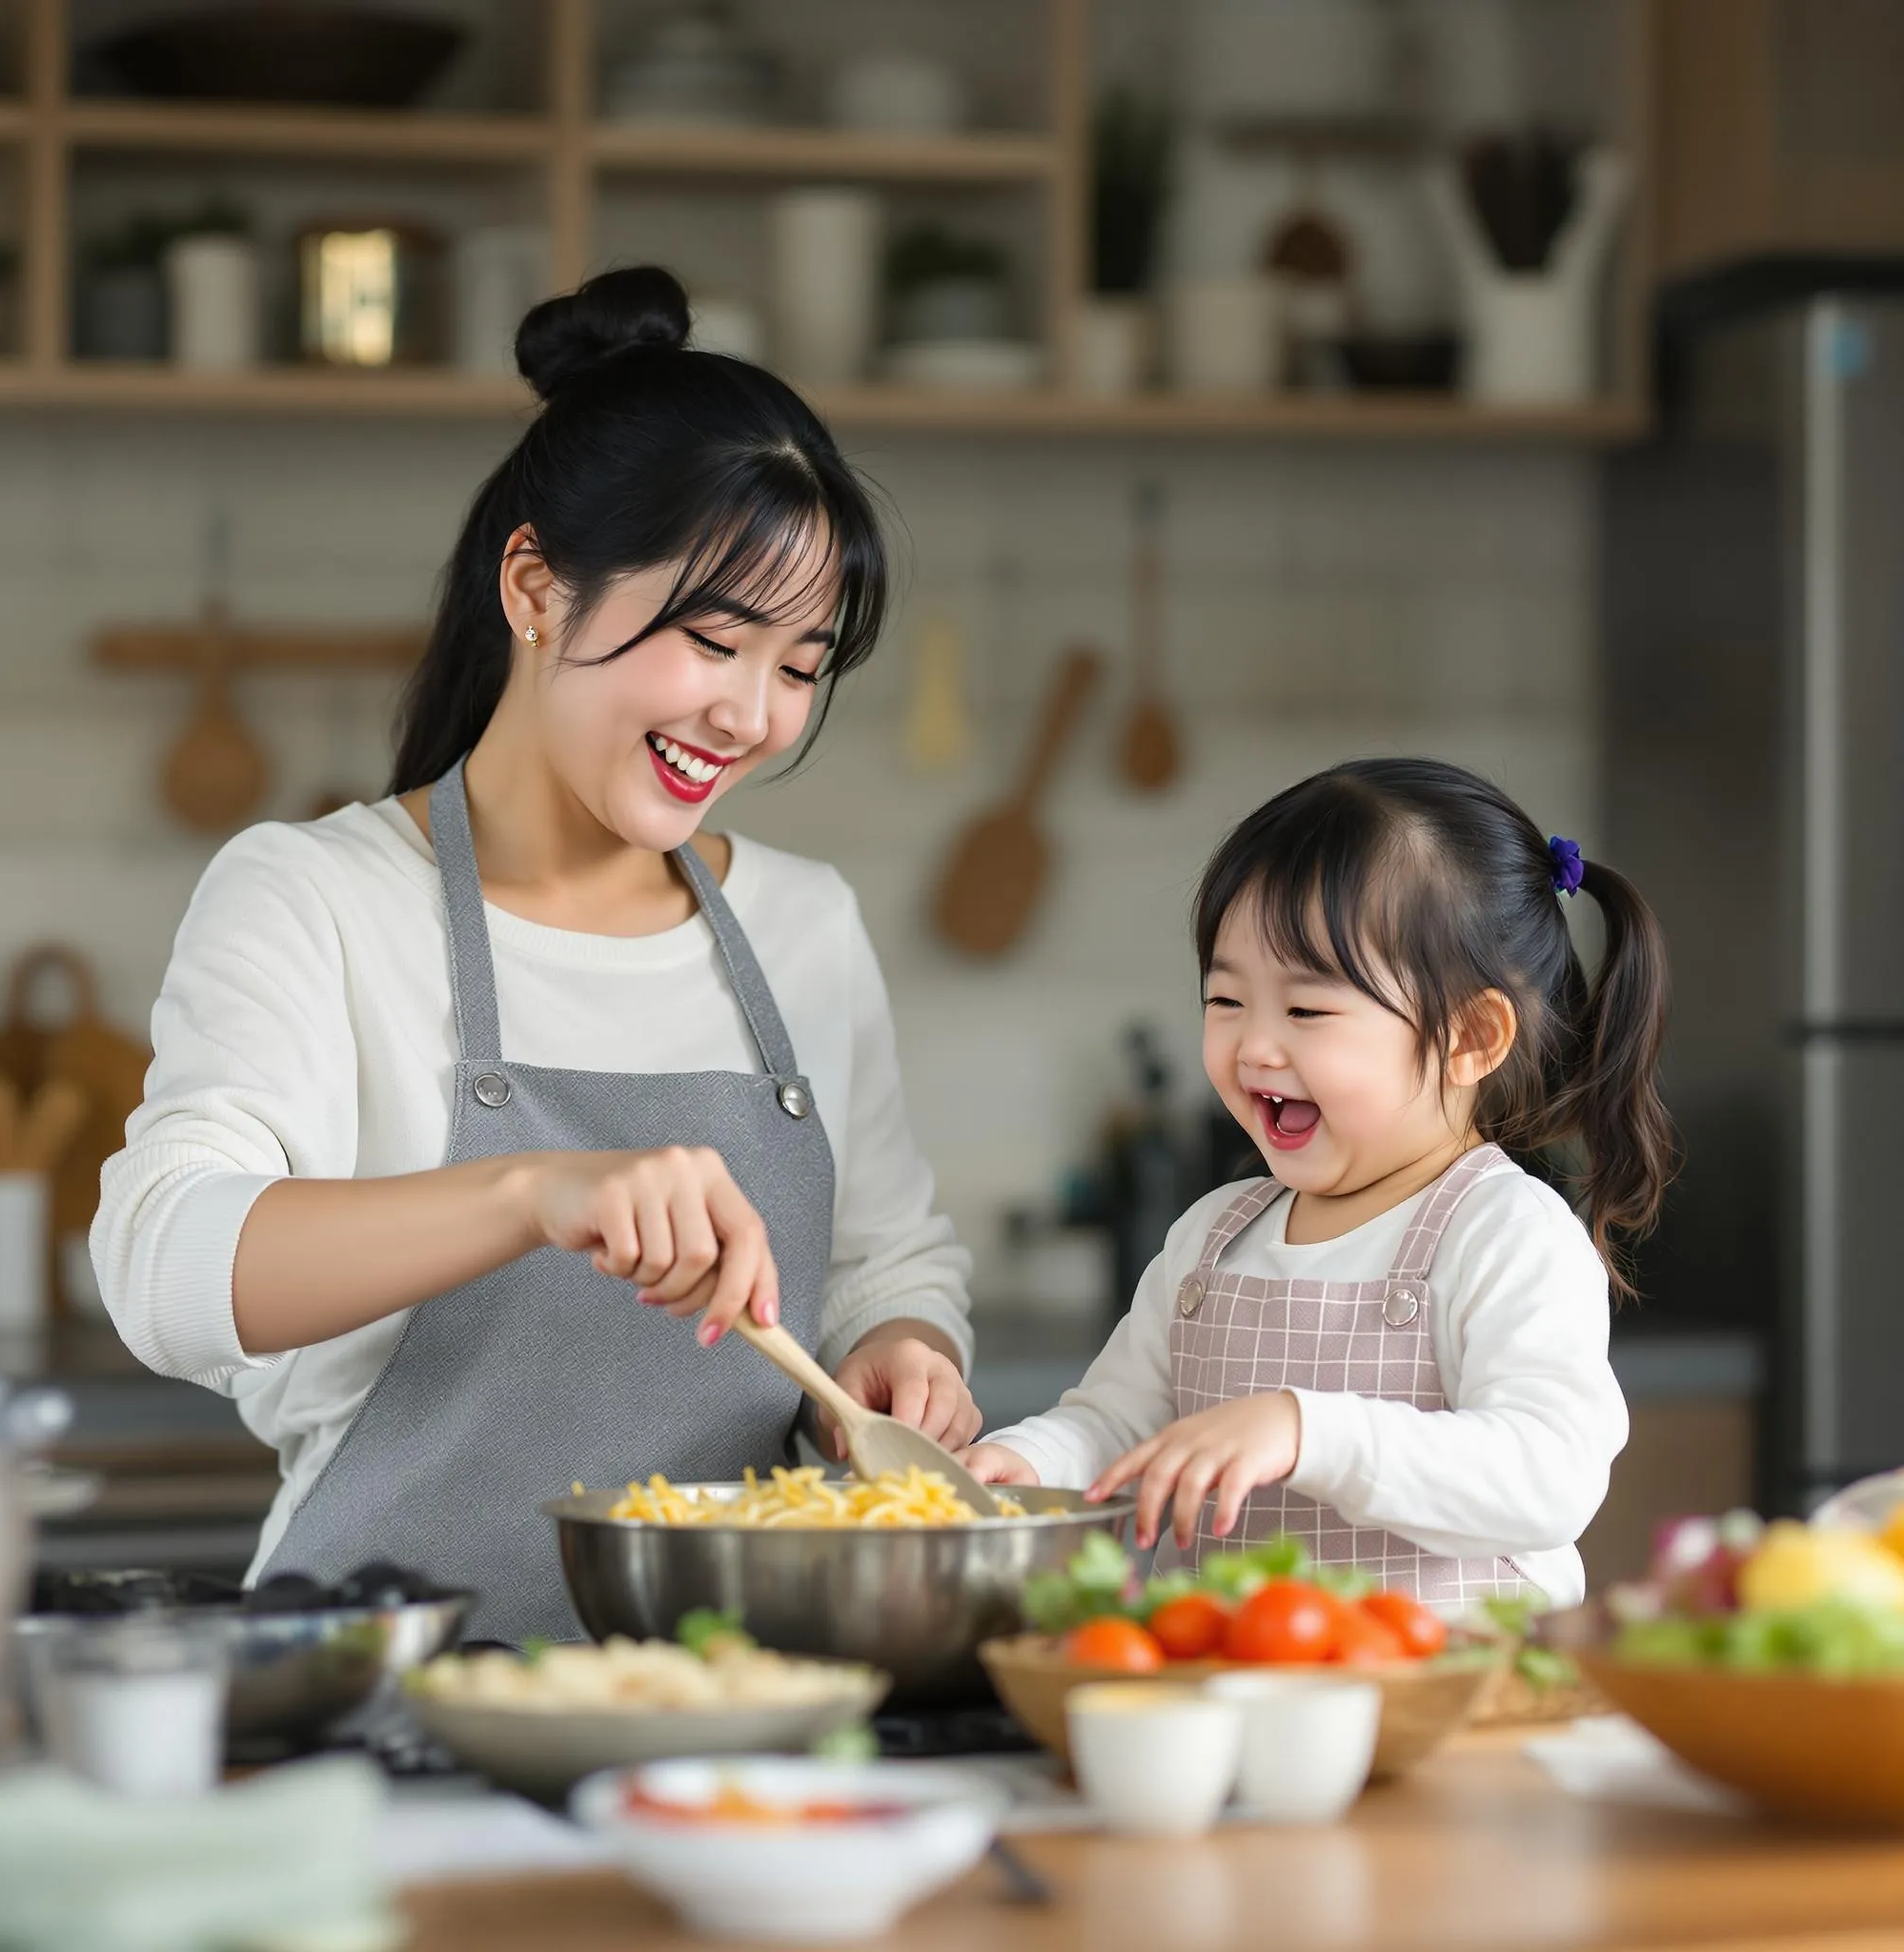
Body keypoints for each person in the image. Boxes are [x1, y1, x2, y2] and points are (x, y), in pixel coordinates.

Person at [92, 265, 979, 1642]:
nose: (752, 714)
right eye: (712, 638)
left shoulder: (805, 925)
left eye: (802, 666)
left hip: (735, 1703)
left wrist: (903, 1351)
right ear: (536, 588)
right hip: (382, 1706)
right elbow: (161, 1270)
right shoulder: (317, 900)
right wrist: (527, 1191)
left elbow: (885, 1260)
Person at [966, 758, 1673, 1607]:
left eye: (1306, 1010)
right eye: (1226, 1001)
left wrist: (1312, 1431)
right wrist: (1031, 1460)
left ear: (1472, 1037)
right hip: (1232, 1687)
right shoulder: (1213, 1236)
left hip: (1451, 1703)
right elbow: (1116, 1422)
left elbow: (1549, 1473)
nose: (1255, 1047)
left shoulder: (1503, 1230)